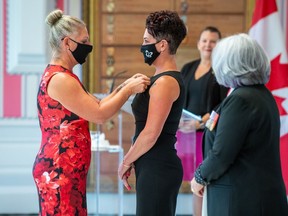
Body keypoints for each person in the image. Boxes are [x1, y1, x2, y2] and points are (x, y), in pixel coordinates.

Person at [32, 9, 150, 216]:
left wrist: (125, 85)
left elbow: (97, 103)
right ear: (67, 43)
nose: (88, 46)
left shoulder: (65, 76)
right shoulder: (60, 79)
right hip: (59, 171)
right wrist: (129, 89)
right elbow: (99, 114)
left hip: (66, 169)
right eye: (84, 41)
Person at [190, 33, 288, 216]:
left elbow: (222, 153)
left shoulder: (241, 100)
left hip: (243, 200)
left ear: (230, 64)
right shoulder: (261, 95)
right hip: (257, 196)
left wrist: (200, 177)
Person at [118, 10, 187, 216]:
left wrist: (125, 161)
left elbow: (150, 134)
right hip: (151, 165)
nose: (143, 46)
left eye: (146, 40)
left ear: (162, 45)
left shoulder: (165, 82)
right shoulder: (158, 78)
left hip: (159, 168)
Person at [179, 26, 228, 216]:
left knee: (202, 180)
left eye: (213, 41)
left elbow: (223, 105)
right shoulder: (188, 68)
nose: (208, 45)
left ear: (219, 45)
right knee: (190, 180)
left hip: (206, 134)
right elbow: (179, 98)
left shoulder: (221, 71)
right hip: (184, 134)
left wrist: (200, 123)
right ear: (199, 44)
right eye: (205, 40)